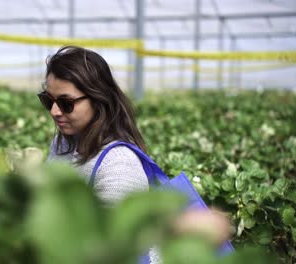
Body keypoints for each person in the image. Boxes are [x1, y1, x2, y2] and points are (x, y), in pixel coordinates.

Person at [40, 46, 232, 263]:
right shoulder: (62, 143)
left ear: (97, 99)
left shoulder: (119, 165)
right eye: (48, 100)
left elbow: (112, 252)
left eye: (66, 103)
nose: (54, 111)